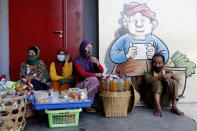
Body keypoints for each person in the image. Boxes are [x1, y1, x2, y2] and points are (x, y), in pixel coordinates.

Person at [110, 2, 169, 91]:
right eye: (135, 21)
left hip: (147, 72)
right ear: (126, 23)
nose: (139, 24)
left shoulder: (153, 39)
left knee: (147, 85)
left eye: (143, 20)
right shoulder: (125, 39)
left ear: (153, 24)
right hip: (129, 70)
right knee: (131, 83)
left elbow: (165, 53)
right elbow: (113, 54)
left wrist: (155, 55)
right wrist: (126, 55)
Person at [74, 40, 104, 113]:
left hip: (91, 84)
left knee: (100, 80)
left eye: (91, 48)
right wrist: (95, 74)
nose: (89, 50)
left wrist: (97, 63)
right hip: (80, 85)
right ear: (82, 48)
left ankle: (86, 102)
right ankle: (87, 105)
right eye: (87, 48)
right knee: (94, 79)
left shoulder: (93, 59)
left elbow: (101, 71)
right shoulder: (76, 61)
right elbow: (82, 74)